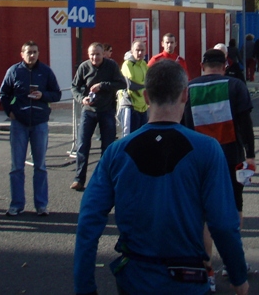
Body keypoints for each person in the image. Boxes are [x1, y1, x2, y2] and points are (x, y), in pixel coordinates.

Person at [73, 61, 249, 295]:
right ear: (185, 95)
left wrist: (85, 287)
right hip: (187, 280)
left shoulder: (116, 152)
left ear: (145, 97)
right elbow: (223, 224)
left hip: (134, 279)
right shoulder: (208, 149)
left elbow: (88, 221)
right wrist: (238, 276)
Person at [182, 49, 255, 291]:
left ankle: (206, 269)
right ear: (224, 66)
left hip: (197, 159)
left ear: (202, 66)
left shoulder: (189, 89)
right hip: (231, 157)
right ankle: (233, 262)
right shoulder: (235, 85)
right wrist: (251, 156)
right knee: (235, 206)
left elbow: (181, 127)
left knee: (202, 214)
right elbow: (246, 125)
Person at [0, 41, 62, 216]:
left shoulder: (46, 71)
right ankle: (16, 204)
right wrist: (10, 111)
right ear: (22, 54)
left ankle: (41, 205)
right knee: (17, 167)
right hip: (19, 123)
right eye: (28, 52)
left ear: (38, 53)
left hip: (40, 123)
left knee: (40, 166)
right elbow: (3, 93)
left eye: (34, 52)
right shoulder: (14, 71)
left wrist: (43, 95)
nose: (31, 55)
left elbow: (57, 93)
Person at [71, 43, 127, 192]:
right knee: (83, 144)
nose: (94, 57)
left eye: (97, 54)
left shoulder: (111, 66)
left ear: (103, 54)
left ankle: (104, 180)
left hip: (106, 110)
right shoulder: (84, 67)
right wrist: (81, 98)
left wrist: (103, 85)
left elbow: (122, 83)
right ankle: (79, 179)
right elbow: (74, 87)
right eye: (91, 55)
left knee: (107, 146)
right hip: (88, 110)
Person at [118, 40, 149, 137]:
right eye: (137, 50)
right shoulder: (127, 64)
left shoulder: (144, 64)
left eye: (142, 50)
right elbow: (131, 85)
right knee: (129, 137)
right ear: (132, 51)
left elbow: (149, 80)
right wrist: (145, 86)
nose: (139, 53)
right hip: (130, 106)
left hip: (143, 106)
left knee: (142, 136)